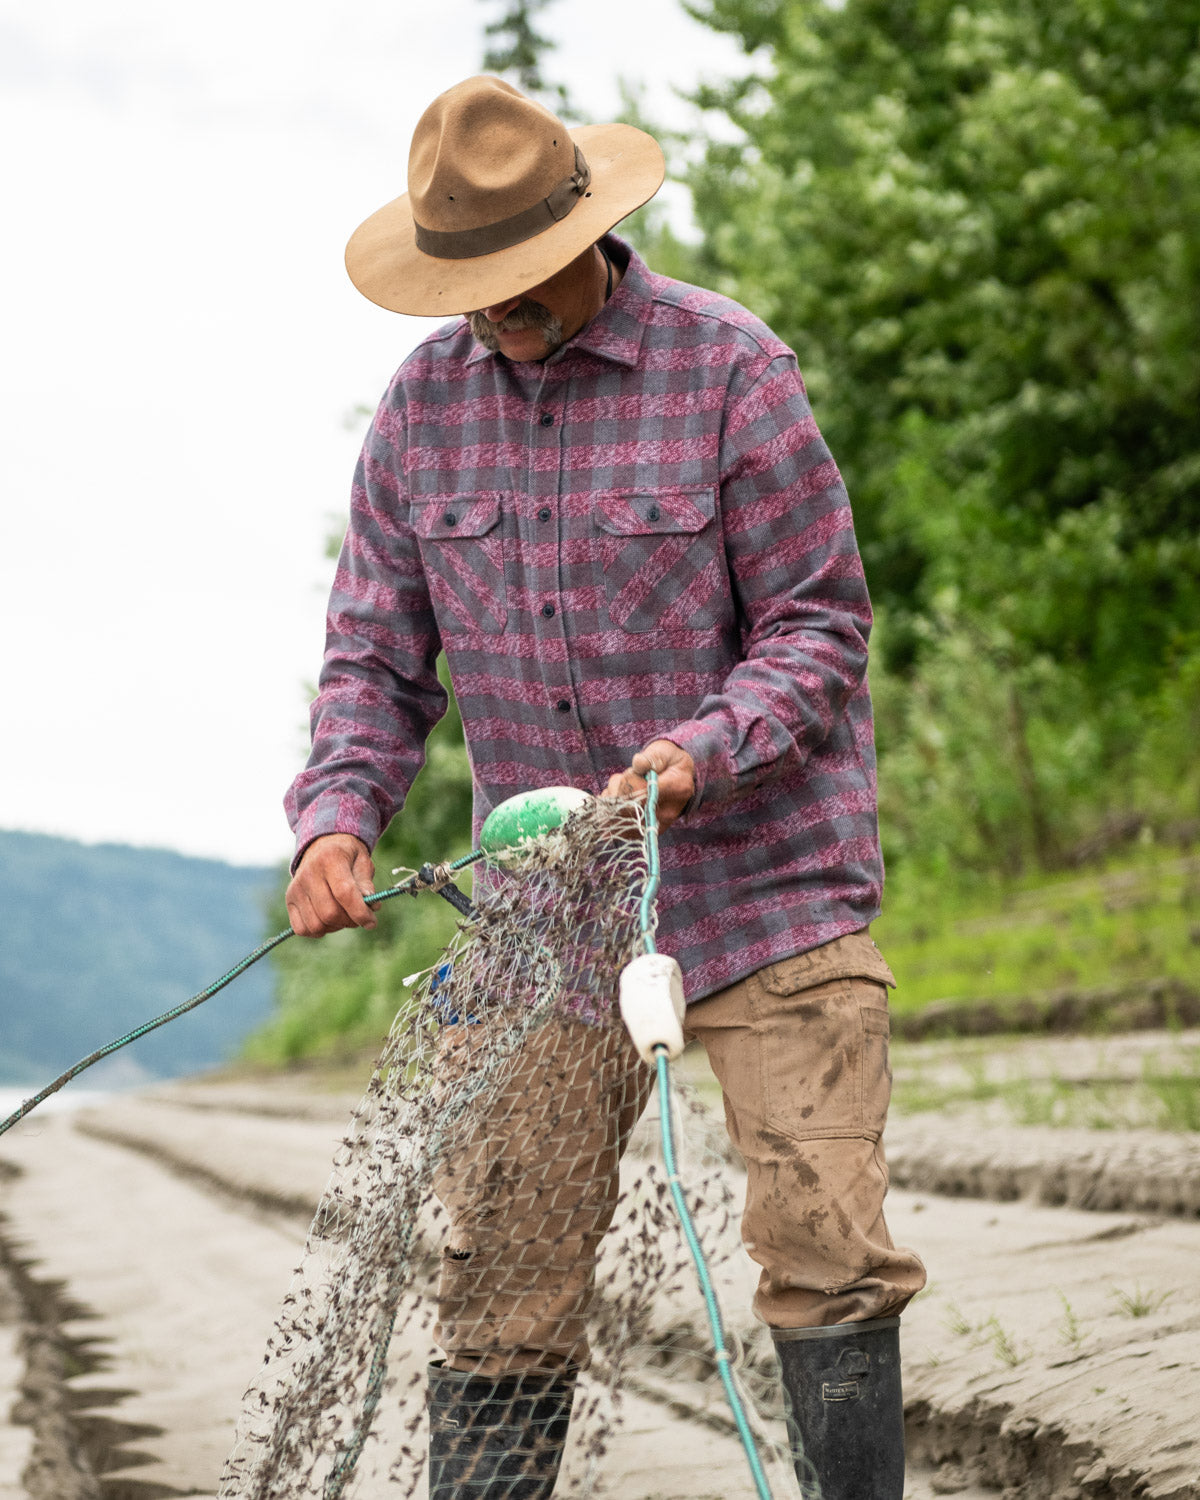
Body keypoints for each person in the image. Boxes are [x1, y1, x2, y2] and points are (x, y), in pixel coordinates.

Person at [284, 74, 926, 1500]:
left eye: (522, 280)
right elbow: (374, 660)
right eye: (474, 288)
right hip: (546, 923)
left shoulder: (729, 368)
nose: (500, 311)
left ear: (589, 229)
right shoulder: (420, 415)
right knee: (500, 1277)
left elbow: (820, 625)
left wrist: (708, 748)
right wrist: (338, 816)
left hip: (769, 887)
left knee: (829, 1249)